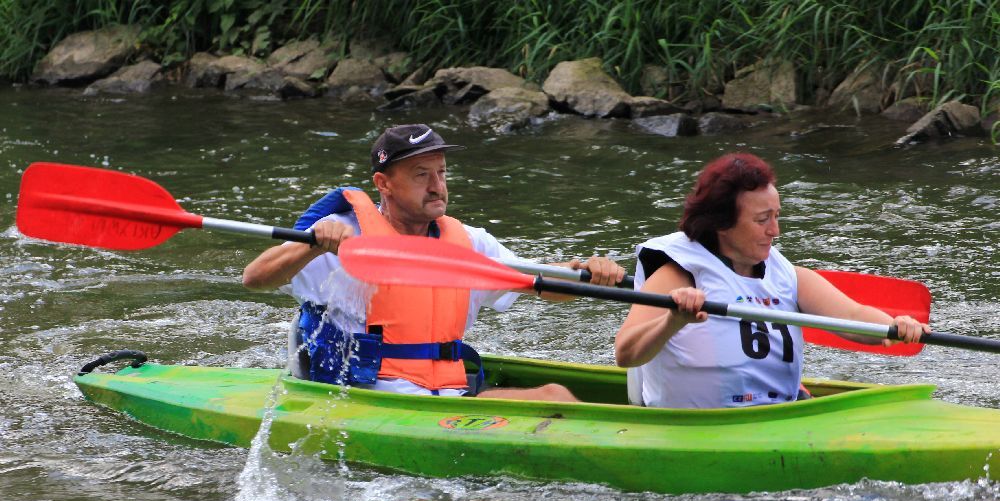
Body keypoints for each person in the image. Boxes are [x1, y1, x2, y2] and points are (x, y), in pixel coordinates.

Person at [243, 123, 624, 401]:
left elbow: (543, 285)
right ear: (384, 184)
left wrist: (587, 277)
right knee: (554, 400)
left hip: (448, 396)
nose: (436, 186)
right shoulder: (344, 233)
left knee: (555, 394)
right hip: (374, 398)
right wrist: (313, 246)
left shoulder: (470, 242)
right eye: (421, 175)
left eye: (441, 173)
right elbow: (255, 279)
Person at [614, 152, 930, 409]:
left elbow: (853, 317)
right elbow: (626, 354)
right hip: (697, 426)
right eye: (762, 220)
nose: (774, 231)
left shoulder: (788, 276)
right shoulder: (678, 273)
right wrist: (673, 320)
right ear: (722, 224)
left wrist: (894, 328)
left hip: (779, 415)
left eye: (777, 216)